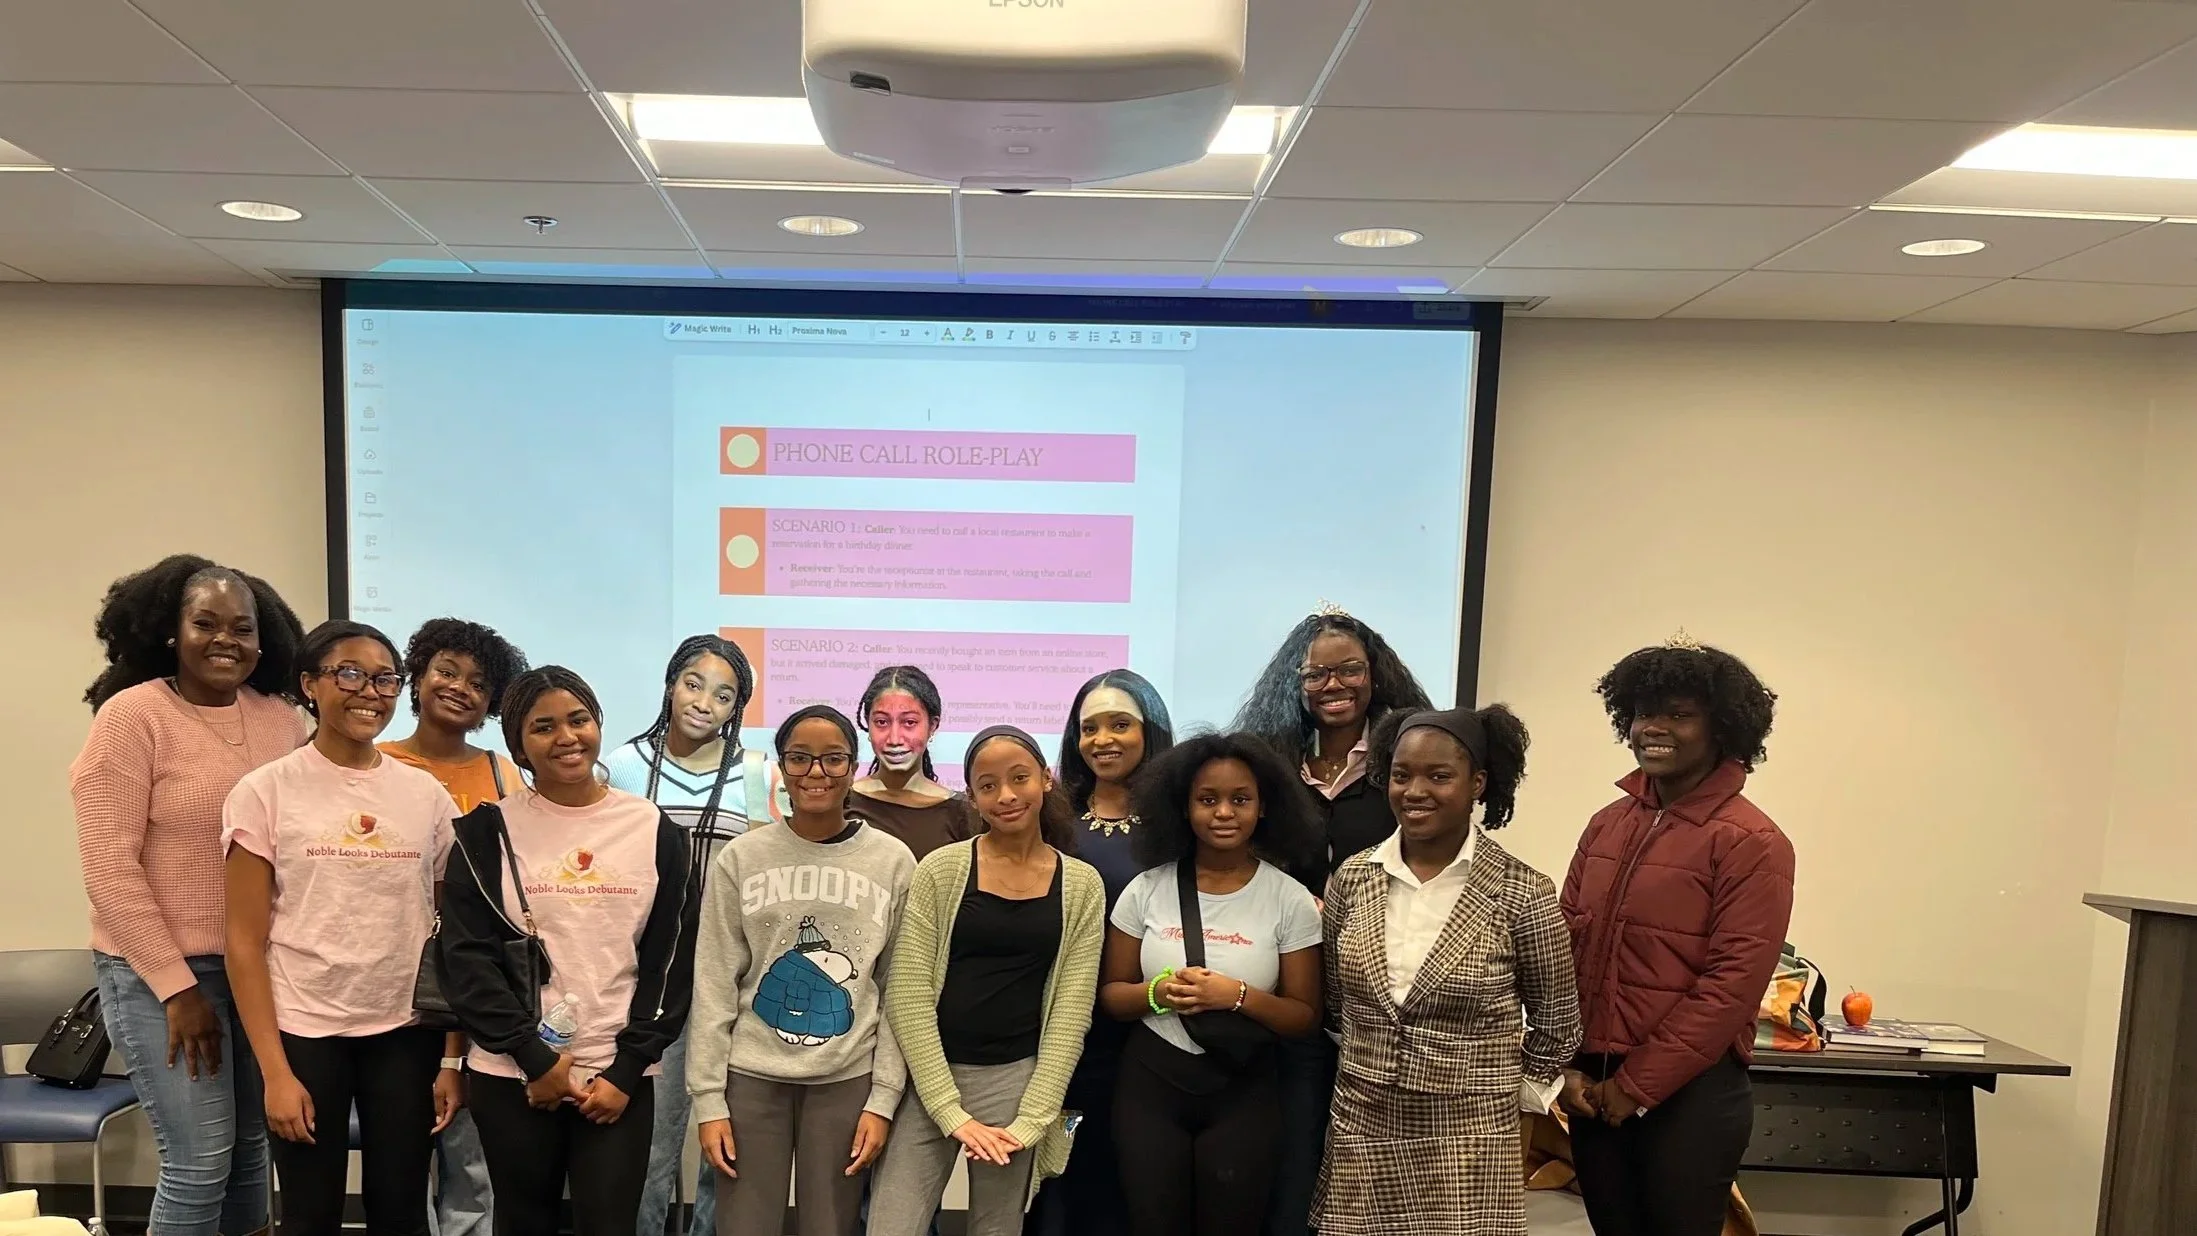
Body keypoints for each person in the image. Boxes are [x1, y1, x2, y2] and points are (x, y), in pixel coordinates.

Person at [72, 554, 306, 1236]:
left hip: (254, 970)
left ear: (266, 642)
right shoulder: (131, 717)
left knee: (250, 1153)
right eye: (205, 622)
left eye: (242, 627)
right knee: (199, 1161)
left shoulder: (282, 723)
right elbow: (109, 869)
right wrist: (177, 990)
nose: (225, 639)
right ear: (170, 631)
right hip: (157, 974)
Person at [438, 667, 700, 1236]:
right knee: (522, 1222)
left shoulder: (654, 829)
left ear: (598, 724)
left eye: (579, 720)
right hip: (513, 1074)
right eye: (544, 727)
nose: (566, 738)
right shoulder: (484, 835)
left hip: (616, 1074)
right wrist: (538, 1062)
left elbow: (672, 960)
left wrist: (628, 1068)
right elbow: (467, 963)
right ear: (518, 745)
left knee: (610, 1225)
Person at [222, 620, 463, 1236]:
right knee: (309, 1215)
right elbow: (244, 943)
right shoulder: (265, 791)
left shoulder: (425, 795)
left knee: (402, 1209)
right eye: (348, 674)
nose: (369, 692)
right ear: (310, 685)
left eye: (385, 678)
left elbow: (454, 934)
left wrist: (452, 1061)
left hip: (405, 1032)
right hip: (304, 1031)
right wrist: (274, 1073)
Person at [1558, 636, 1794, 1236]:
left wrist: (1635, 1088)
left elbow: (1731, 989)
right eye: (1642, 713)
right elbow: (1564, 954)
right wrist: (1572, 1067)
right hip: (1594, 1088)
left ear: (1724, 730)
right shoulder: (1605, 825)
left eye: (1680, 715)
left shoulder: (1752, 842)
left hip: (1688, 1099)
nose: (1653, 729)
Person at [1314, 706, 1581, 1236]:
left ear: (1477, 783)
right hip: (1364, 1118)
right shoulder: (1352, 877)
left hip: (1470, 1134)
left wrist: (1504, 1091)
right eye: (1401, 775)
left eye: (1439, 776)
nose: (1415, 791)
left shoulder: (1522, 891)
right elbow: (1338, 1001)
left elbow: (1559, 1023)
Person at [1231, 603, 1430, 1236]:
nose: (1333, 685)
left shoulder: (1406, 765)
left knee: (1365, 1159)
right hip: (1280, 985)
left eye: (1348, 670)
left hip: (1379, 990)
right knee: (1287, 1146)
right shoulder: (1272, 764)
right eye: (1315, 674)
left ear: (1376, 674)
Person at [686, 704, 915, 1236]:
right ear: (782, 768)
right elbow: (715, 981)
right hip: (749, 1079)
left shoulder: (893, 861)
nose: (817, 773)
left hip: (846, 1078)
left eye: (833, 759)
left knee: (830, 1227)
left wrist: (883, 1100)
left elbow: (899, 991)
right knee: (743, 1226)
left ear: (855, 766)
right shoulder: (742, 858)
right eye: (801, 758)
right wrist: (708, 1101)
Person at [869, 726, 1105, 1236]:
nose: (1006, 796)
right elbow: (907, 995)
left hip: (1015, 1084)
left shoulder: (1083, 884)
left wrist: (1031, 1120)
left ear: (1046, 779)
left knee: (997, 1229)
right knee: (892, 1224)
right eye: (988, 785)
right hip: (931, 1078)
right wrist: (949, 1111)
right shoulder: (941, 869)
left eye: (1019, 778)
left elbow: (1070, 1012)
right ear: (972, 796)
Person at [1099, 734, 1324, 1236]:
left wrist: (1236, 996)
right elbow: (1113, 996)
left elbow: (1303, 1016)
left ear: (1264, 807)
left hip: (1244, 1091)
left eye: (1240, 799)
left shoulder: (1288, 898)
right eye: (1207, 800)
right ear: (1183, 807)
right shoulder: (1146, 888)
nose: (1224, 812)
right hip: (1150, 1088)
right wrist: (1158, 993)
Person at [613, 635, 781, 1236]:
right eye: (693, 683)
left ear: (738, 708)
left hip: (733, 983)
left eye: (724, 694)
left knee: (730, 1149)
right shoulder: (625, 764)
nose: (704, 702)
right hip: (650, 981)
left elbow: (769, 877)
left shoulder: (759, 771)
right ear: (669, 684)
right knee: (652, 1148)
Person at [381, 616, 529, 1236]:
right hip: (387, 990)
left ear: (492, 703)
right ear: (417, 677)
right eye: (447, 671)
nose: (460, 688)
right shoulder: (374, 762)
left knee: (473, 1163)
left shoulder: (503, 775)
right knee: (399, 1161)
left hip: (477, 989)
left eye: (478, 682)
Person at [1025, 669, 1176, 1236]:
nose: (1103, 739)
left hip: (1151, 1035)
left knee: (1131, 1189)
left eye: (1120, 724)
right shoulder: (1052, 820)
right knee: (1059, 1188)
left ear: (1152, 731)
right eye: (1089, 728)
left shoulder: (1181, 824)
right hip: (1061, 1033)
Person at [848, 665, 975, 861]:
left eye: (909, 723)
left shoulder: (961, 812)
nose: (895, 738)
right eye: (882, 722)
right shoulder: (843, 803)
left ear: (932, 726)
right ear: (867, 722)